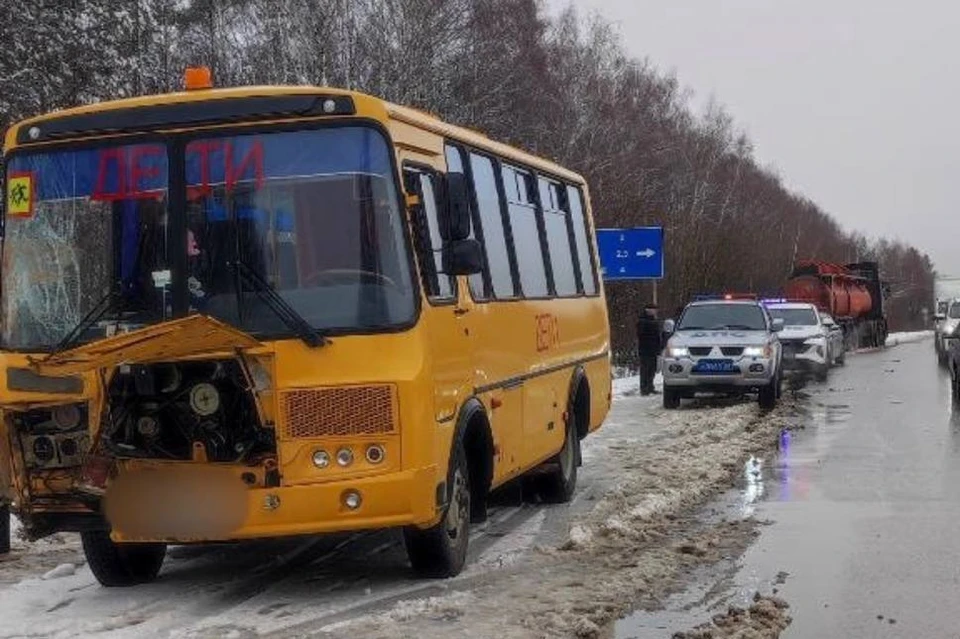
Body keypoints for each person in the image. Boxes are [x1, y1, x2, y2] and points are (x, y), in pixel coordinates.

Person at [636, 304, 663, 395]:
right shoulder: (643, 321)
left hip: (653, 349)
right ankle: (644, 388)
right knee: (645, 369)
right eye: (654, 310)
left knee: (652, 369)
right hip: (646, 349)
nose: (656, 312)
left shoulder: (654, 320)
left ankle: (650, 386)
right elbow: (641, 333)